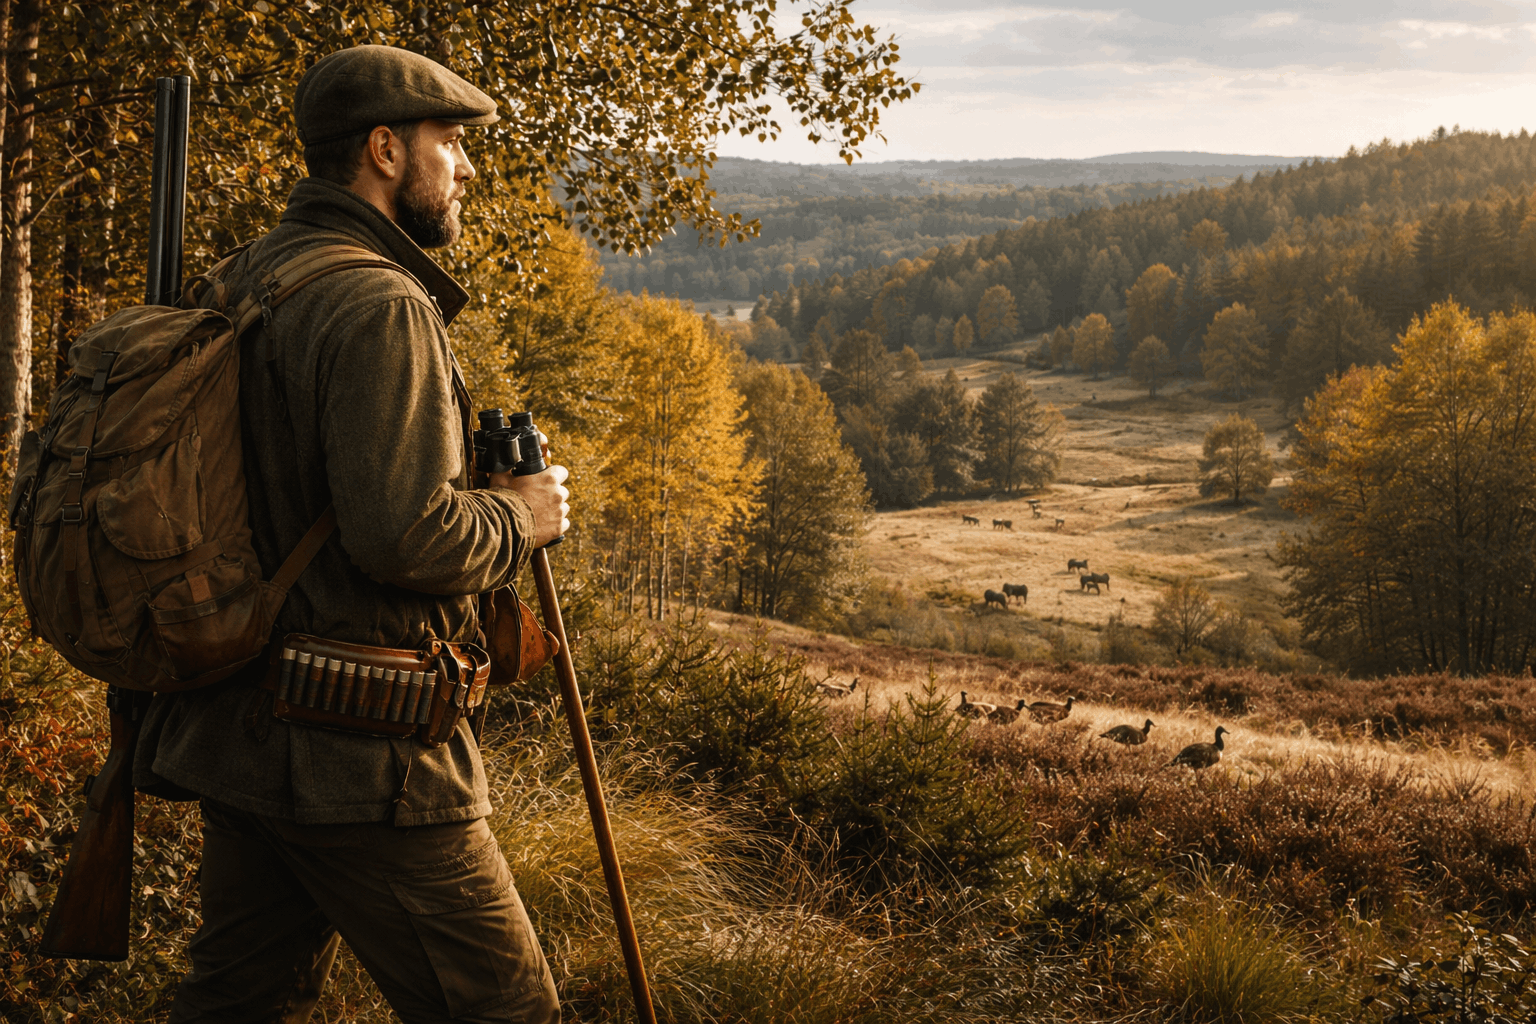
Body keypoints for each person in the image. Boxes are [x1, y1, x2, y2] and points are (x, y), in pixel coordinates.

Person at [133, 45, 568, 1024]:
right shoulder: (380, 303)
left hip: (242, 730)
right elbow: (402, 535)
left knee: (240, 1003)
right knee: (509, 1009)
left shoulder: (245, 278)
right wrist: (521, 515)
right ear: (384, 148)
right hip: (366, 756)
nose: (467, 167)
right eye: (449, 142)